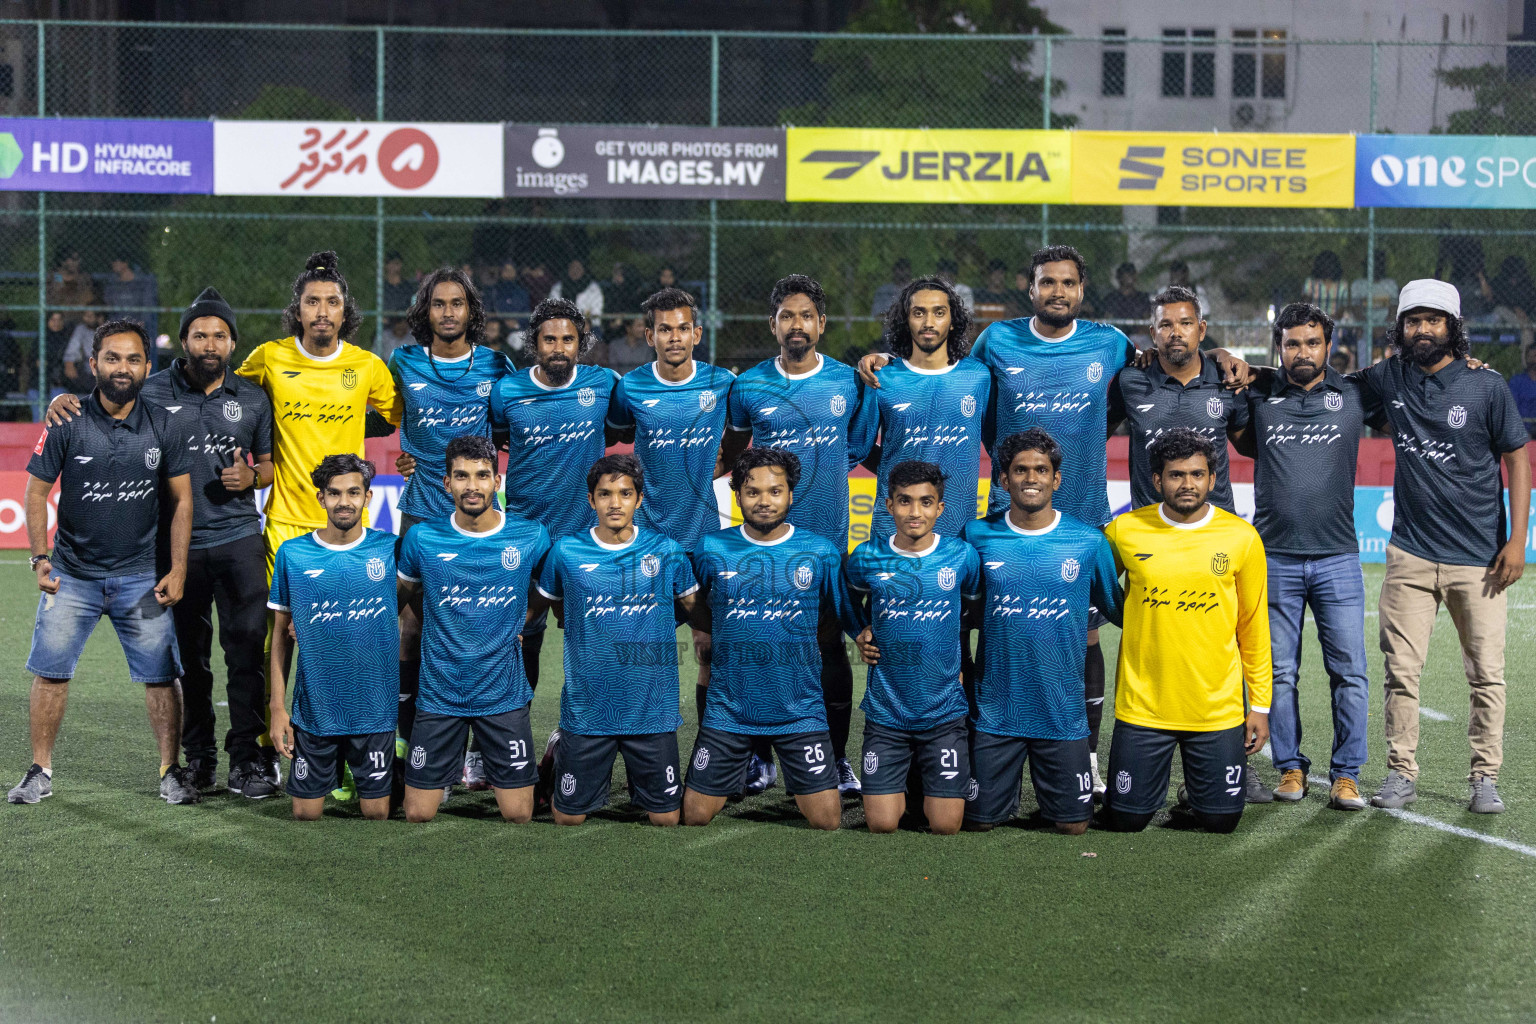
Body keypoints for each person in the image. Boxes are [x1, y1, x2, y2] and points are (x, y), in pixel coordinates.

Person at [860, 245, 1251, 798]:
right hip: (1004, 519)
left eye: (1068, 283)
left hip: (1083, 515)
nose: (1058, 292)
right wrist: (881, 358)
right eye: (1048, 283)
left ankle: (1084, 754)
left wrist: (1227, 357)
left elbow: (1158, 367)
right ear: (1032, 288)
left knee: (1084, 633)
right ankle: (973, 746)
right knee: (986, 629)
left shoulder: (1110, 344)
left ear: (1082, 290)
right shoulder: (996, 342)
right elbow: (945, 380)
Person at [1355, 279, 1530, 814]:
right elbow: (1323, 387)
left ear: (1453, 328)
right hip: (1409, 554)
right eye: (1413, 321)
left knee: (1486, 675)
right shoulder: (1388, 376)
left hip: (1479, 560)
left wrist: (1517, 541)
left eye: (1434, 321)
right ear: (1401, 328)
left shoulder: (1487, 386)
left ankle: (1484, 777)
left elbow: (1518, 460)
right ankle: (1401, 773)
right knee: (1400, 672)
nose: (1423, 330)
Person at [8, 319, 197, 806]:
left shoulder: (164, 423)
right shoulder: (64, 421)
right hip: (72, 575)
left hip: (140, 576)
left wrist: (177, 568)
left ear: (146, 367)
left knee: (161, 675)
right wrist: (39, 557)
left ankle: (169, 771)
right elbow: (34, 491)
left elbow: (181, 501)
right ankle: (40, 771)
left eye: (133, 359)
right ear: (93, 364)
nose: (122, 367)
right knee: (50, 672)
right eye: (112, 358)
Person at [237, 251, 399, 790]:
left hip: (350, 528)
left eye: (332, 302)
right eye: (313, 302)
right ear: (299, 309)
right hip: (286, 524)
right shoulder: (269, 358)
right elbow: (222, 397)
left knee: (349, 640)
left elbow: (405, 414)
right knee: (275, 639)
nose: (322, 311)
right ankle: (267, 747)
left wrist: (412, 454)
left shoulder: (367, 366)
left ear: (344, 310)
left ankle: (356, 749)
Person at [718, 274, 877, 793]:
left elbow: (854, 450)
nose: (797, 325)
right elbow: (737, 455)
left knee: (828, 646)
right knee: (760, 643)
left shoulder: (848, 383)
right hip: (762, 544)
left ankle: (835, 760)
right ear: (773, 324)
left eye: (806, 316)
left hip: (826, 542)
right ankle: (757, 757)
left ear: (822, 324)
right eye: (787, 316)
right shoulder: (748, 387)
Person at [1233, 303, 1383, 810]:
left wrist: (1468, 364)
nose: (1302, 352)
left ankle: (1347, 775)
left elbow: (1412, 375)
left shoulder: (1356, 393)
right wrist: (1220, 353)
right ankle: (1290, 768)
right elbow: (1217, 370)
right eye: (1292, 343)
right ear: (1279, 346)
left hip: (1338, 557)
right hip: (1272, 557)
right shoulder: (1259, 393)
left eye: (1312, 343)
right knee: (1278, 673)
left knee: (1351, 672)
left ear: (1329, 346)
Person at [1099, 428, 1271, 834]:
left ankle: (1196, 796)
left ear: (1213, 479)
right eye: (1176, 475)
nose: (1187, 484)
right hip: (1144, 707)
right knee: (1124, 820)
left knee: (1221, 822)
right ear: (1157, 480)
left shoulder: (1241, 538)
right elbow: (1102, 592)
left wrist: (1260, 705)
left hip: (1215, 710)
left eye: (1197, 474)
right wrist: (1135, 617)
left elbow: (1253, 626)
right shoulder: (1125, 531)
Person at [957, 429, 1123, 833]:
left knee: (1073, 827)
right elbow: (958, 610)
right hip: (996, 712)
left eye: (1041, 470)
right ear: (1003, 479)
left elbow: (1121, 611)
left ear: (1056, 479)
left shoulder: (1087, 542)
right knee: (976, 822)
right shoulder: (976, 536)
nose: (1031, 478)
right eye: (1020, 470)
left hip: (1061, 713)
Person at [682, 448, 855, 830]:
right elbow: (692, 607)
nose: (764, 501)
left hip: (799, 711)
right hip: (729, 710)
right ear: (737, 495)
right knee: (693, 816)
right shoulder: (712, 549)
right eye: (753, 492)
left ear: (791, 495)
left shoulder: (819, 551)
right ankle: (748, 763)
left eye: (775, 491)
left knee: (826, 820)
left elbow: (839, 617)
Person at [388, 267, 509, 787]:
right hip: (420, 508)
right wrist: (400, 458)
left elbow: (509, 427)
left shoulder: (496, 365)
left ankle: (485, 746)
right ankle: (408, 737)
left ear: (470, 310)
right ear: (425, 311)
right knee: (410, 626)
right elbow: (385, 419)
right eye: (438, 304)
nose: (448, 312)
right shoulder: (404, 361)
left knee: (482, 625)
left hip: (481, 512)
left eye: (457, 303)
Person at [532, 454, 697, 826]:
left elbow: (694, 609)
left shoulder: (667, 551)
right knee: (567, 820)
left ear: (640, 499)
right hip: (588, 711)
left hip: (652, 711)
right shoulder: (566, 552)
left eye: (625, 493)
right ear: (591, 500)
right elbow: (547, 606)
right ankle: (560, 750)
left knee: (667, 820)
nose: (615, 503)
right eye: (605, 494)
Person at [396, 435, 551, 822]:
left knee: (518, 815)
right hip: (438, 692)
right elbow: (398, 598)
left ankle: (555, 756)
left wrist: (525, 619)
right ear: (446, 484)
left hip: (502, 693)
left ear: (497, 482)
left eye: (482, 475)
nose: (472, 486)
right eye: (461, 476)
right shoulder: (422, 538)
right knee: (417, 814)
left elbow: (551, 591)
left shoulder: (530, 536)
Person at [603, 287, 734, 735]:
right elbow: (611, 438)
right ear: (648, 335)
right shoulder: (631, 387)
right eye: (664, 329)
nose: (674, 337)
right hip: (647, 540)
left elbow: (738, 440)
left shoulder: (722, 384)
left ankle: (710, 749)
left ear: (697, 333)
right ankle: (634, 741)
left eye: (682, 329)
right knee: (640, 650)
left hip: (702, 539)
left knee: (709, 647)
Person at [490, 297, 622, 696]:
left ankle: (573, 734)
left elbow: (618, 431)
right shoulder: (506, 391)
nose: (559, 347)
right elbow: (498, 441)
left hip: (584, 535)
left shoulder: (604, 384)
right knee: (523, 637)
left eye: (568, 339)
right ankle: (505, 738)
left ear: (581, 342)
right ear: (535, 342)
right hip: (525, 534)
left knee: (586, 640)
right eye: (549, 339)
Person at [846, 460, 980, 835]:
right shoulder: (867, 556)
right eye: (904, 502)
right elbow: (847, 601)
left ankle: (924, 784)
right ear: (888, 506)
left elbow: (973, 608)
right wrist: (859, 630)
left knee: (946, 826)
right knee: (882, 824)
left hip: (944, 713)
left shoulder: (961, 556)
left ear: (940, 507)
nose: (915, 512)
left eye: (925, 502)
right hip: (887, 713)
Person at [267, 455, 398, 821]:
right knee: (305, 815)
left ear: (368, 497)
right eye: (335, 493)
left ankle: (394, 770)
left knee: (376, 814)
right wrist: (277, 709)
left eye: (354, 492)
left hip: (375, 711)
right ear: (320, 498)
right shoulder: (292, 554)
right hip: (315, 713)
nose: (345, 502)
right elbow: (280, 637)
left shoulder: (392, 550)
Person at [864, 277, 991, 541]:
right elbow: (859, 449)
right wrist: (897, 474)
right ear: (906, 320)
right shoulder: (882, 378)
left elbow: (997, 441)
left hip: (958, 529)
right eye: (918, 312)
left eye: (939, 312)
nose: (929, 322)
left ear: (953, 321)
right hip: (893, 530)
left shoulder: (978, 377)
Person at [1108, 285, 1251, 516]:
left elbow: (1250, 447)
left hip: (1216, 527)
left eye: (1186, 323)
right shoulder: (1130, 382)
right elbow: (1098, 438)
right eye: (1166, 325)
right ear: (1153, 334)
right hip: (1151, 527)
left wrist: (1223, 354)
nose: (1176, 332)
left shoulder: (1227, 381)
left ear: (1201, 329)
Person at [104, 257, 159, 337]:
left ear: (125, 263)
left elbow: (148, 303)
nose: (113, 265)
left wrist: (142, 321)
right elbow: (108, 303)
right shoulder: (112, 284)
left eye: (116, 261)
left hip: (137, 323)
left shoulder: (142, 282)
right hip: (117, 324)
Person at [549, 258, 605, 334]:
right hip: (562, 325)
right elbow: (553, 309)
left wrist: (588, 322)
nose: (575, 270)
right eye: (572, 267)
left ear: (584, 270)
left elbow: (596, 311)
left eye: (578, 268)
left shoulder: (593, 288)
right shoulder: (558, 288)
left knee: (595, 333)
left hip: (588, 325)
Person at [61, 308, 102, 394]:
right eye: (85, 316)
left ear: (99, 318)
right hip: (87, 369)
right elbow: (72, 348)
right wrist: (69, 364)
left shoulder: (110, 329)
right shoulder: (81, 329)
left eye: (90, 316)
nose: (85, 319)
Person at [1099, 262, 1152, 328]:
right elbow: (1107, 318)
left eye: (1132, 273)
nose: (1129, 276)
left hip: (1138, 334)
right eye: (1126, 273)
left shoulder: (1142, 297)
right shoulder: (1112, 298)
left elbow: (1147, 319)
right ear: (1119, 277)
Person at [1302, 250, 1347, 319]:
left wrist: (1330, 319)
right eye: (1324, 264)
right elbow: (1306, 304)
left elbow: (1342, 308)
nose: (1327, 268)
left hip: (1336, 322)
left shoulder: (1342, 285)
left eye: (1330, 264)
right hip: (1314, 320)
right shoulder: (1311, 282)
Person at [488, 259, 531, 324]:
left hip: (517, 326)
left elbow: (526, 312)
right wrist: (503, 320)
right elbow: (491, 309)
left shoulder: (522, 291)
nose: (509, 273)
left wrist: (516, 322)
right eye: (506, 270)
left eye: (511, 270)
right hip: (499, 324)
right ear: (501, 272)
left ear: (515, 272)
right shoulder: (494, 290)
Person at [1508, 344, 1536, 438]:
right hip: (1523, 434)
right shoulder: (1516, 382)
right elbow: (1511, 410)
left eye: (1535, 356)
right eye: (1530, 357)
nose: (1533, 360)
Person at [382, 251, 415, 316]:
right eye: (389, 263)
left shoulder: (407, 287)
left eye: (396, 263)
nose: (393, 266)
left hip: (403, 322)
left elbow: (410, 307)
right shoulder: (382, 286)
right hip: (385, 323)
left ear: (401, 265)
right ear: (386, 265)